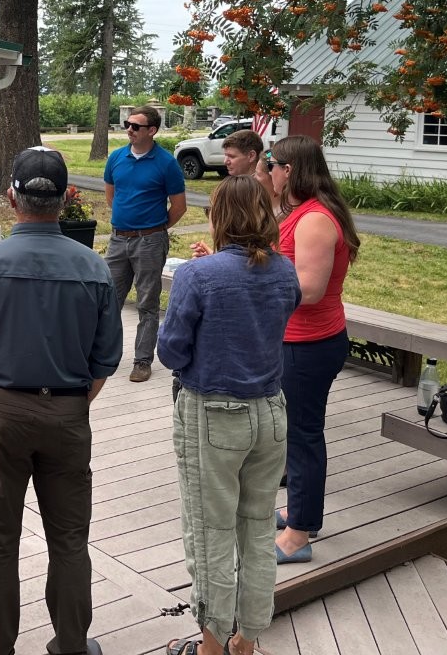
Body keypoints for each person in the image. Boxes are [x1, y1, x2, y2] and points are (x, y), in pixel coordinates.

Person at [0, 147, 122, 655]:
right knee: (69, 539)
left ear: (10, 196)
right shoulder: (94, 267)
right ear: (65, 199)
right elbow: (106, 358)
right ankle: (72, 645)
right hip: (68, 411)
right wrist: (71, 403)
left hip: (1, 410)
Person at [157, 177, 301, 655]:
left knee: (211, 533)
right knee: (258, 530)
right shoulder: (284, 271)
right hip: (271, 412)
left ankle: (210, 646)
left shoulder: (198, 276)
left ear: (220, 217)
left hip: (214, 414)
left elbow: (171, 350)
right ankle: (246, 640)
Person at [268, 135, 360, 565]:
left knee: (303, 437)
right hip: (295, 341)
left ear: (289, 170)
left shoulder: (315, 220)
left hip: (308, 345)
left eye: (272, 165)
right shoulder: (300, 212)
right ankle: (300, 513)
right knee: (296, 435)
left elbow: (308, 290)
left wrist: (256, 286)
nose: (269, 172)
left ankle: (299, 536)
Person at [103, 106, 187, 382]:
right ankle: (104, 356)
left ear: (152, 130)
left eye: (136, 126)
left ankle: (142, 361)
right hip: (118, 239)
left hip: (150, 241)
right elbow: (111, 196)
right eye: (127, 124)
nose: (129, 129)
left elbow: (179, 207)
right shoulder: (116, 157)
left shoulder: (166, 163)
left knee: (147, 303)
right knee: (109, 301)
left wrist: (154, 229)